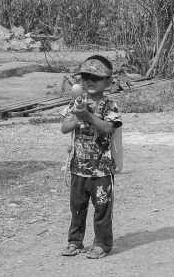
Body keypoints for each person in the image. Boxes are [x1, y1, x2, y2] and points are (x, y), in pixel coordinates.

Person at [60, 55, 122, 259]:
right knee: (77, 207)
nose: (90, 81)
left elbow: (107, 128)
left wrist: (88, 116)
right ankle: (75, 242)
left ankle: (102, 244)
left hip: (102, 169)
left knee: (102, 207)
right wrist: (77, 119)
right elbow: (64, 128)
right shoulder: (77, 102)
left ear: (108, 82)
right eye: (85, 77)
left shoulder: (110, 105)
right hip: (79, 167)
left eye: (96, 77)